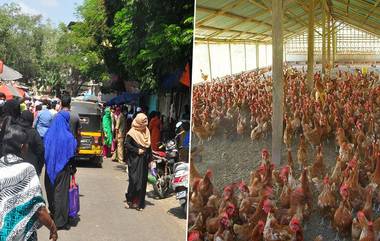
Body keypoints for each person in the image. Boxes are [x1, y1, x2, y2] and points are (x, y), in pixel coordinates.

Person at [0, 124, 58, 241]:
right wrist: (52, 227)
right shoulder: (27, 170)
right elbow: (39, 208)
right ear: (22, 147)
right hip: (22, 236)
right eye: (27, 144)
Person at [44, 111, 77, 230]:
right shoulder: (68, 137)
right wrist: (73, 168)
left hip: (49, 168)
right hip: (63, 169)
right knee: (61, 195)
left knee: (51, 192)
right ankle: (60, 221)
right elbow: (72, 153)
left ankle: (52, 213)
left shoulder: (48, 134)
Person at [124, 113, 151, 211]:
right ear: (138, 121)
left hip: (143, 160)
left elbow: (149, 146)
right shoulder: (132, 132)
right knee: (134, 180)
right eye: (143, 121)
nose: (145, 123)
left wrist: (150, 160)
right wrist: (137, 150)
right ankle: (130, 200)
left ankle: (139, 203)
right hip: (134, 160)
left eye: (146, 121)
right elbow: (126, 144)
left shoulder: (146, 131)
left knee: (142, 182)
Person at [17, 110, 45, 176]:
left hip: (16, 167)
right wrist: (39, 168)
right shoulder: (34, 133)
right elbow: (41, 150)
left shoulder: (15, 130)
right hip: (31, 168)